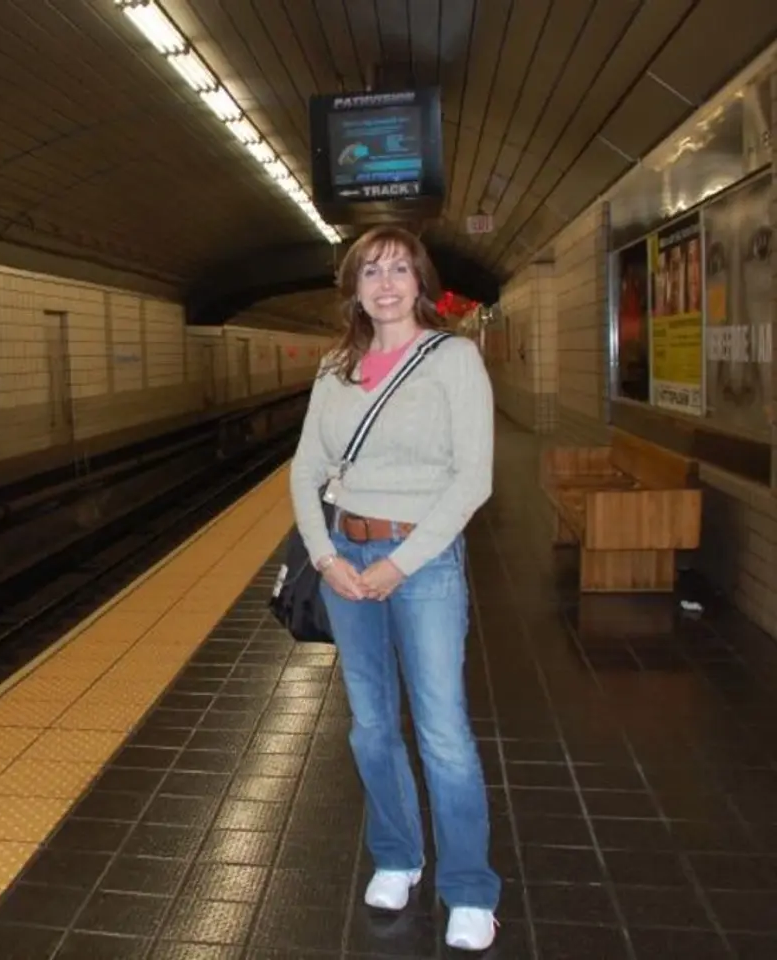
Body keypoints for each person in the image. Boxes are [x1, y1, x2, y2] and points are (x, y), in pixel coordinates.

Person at [288, 225, 500, 952]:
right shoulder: (334, 368)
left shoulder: (455, 360)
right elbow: (304, 470)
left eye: (400, 270)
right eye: (371, 270)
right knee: (371, 723)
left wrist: (401, 564)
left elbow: (474, 478)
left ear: (422, 284)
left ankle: (469, 887)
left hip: (425, 561)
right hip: (345, 555)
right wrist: (325, 557)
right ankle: (398, 854)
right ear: (354, 287)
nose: (385, 283)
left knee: (443, 732)